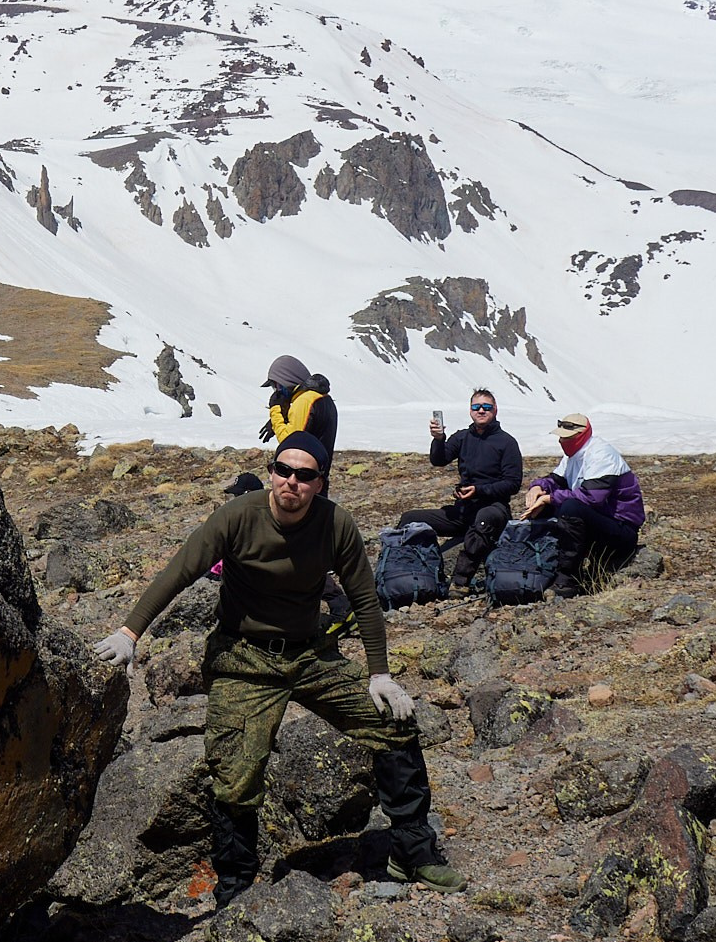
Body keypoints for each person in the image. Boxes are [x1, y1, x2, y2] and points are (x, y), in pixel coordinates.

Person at [94, 432, 464, 905]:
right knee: (235, 771)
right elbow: (179, 572)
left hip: (309, 653)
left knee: (393, 723)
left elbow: (366, 600)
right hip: (243, 656)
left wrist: (379, 674)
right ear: (271, 471)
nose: (291, 482)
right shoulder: (237, 516)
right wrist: (129, 634)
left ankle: (413, 851)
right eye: (283, 470)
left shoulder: (336, 525)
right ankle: (235, 888)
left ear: (320, 482)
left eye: (305, 475)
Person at [400, 388, 524, 592]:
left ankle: (460, 582)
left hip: (494, 509)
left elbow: (512, 484)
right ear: (470, 411)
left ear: (495, 410)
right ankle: (406, 571)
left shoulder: (507, 442)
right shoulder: (463, 437)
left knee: (484, 519)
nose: (481, 411)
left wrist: (479, 490)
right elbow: (439, 460)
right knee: (409, 518)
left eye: (486, 407)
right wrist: (439, 439)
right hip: (463, 510)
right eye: (476, 407)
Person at [517, 413, 645, 596]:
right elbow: (556, 480)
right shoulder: (573, 456)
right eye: (561, 437)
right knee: (547, 506)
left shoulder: (601, 454)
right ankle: (540, 567)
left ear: (582, 435)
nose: (562, 441)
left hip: (621, 530)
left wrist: (549, 498)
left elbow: (592, 497)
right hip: (599, 523)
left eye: (567, 437)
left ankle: (568, 579)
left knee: (570, 508)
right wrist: (538, 487)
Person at [263, 355, 337, 459]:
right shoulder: (319, 397)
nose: (276, 391)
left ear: (285, 380)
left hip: (304, 470)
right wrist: (284, 418)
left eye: (276, 385)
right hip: (316, 467)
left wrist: (275, 412)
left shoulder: (304, 401)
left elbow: (288, 441)